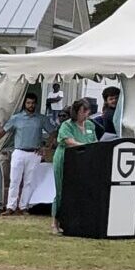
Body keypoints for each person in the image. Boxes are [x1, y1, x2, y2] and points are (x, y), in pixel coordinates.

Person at [0, 92, 52, 214]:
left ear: (36, 104)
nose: (31, 105)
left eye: (33, 103)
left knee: (29, 181)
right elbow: (4, 130)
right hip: (19, 151)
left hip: (34, 153)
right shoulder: (17, 118)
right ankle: (11, 207)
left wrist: (46, 146)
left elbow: (53, 131)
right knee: (15, 180)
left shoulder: (41, 119)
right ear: (24, 104)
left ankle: (23, 206)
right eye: (28, 103)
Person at [52, 98, 99, 228]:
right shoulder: (67, 125)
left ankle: (76, 221)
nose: (86, 114)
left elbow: (94, 140)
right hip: (65, 158)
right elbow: (69, 141)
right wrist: (85, 145)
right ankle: (55, 221)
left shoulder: (90, 125)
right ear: (76, 112)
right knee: (61, 190)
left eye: (87, 111)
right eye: (83, 111)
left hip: (83, 160)